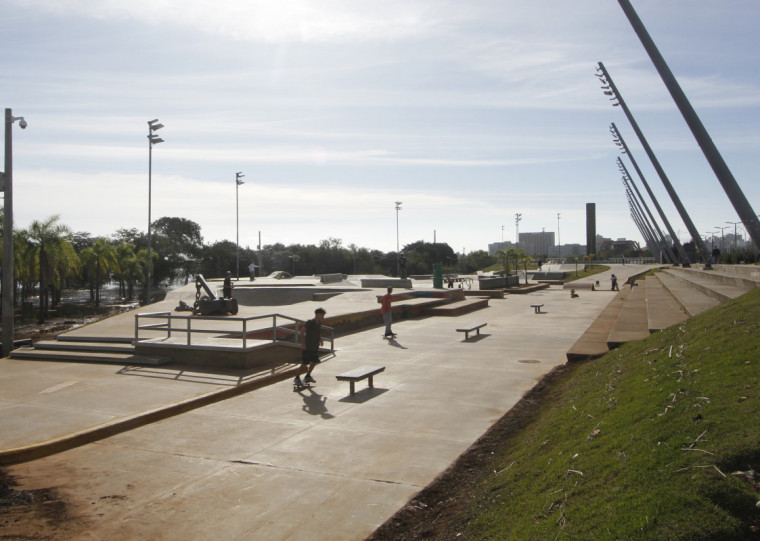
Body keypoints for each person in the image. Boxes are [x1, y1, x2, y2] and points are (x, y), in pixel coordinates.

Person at [294, 308, 326, 386]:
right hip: (308, 347)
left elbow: (318, 332)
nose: (323, 317)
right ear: (317, 314)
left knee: (314, 361)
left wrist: (320, 340)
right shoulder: (310, 322)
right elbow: (302, 332)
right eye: (322, 315)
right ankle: (297, 378)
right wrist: (302, 344)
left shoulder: (319, 323)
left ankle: (308, 376)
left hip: (315, 346)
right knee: (305, 363)